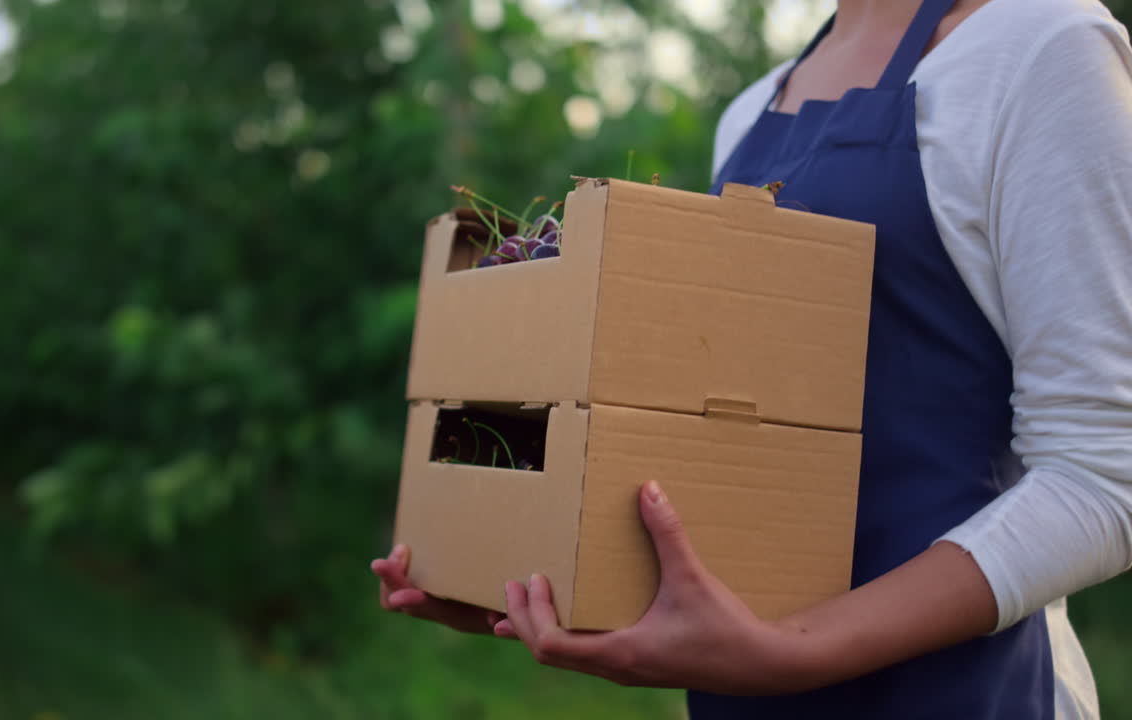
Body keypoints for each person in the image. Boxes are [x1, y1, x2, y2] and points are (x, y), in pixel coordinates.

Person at [371, 0, 1132, 716]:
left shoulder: (1043, 45)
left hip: (966, 692)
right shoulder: (754, 110)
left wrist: (789, 653)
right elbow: (723, 441)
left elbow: (1105, 474)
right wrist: (546, 579)